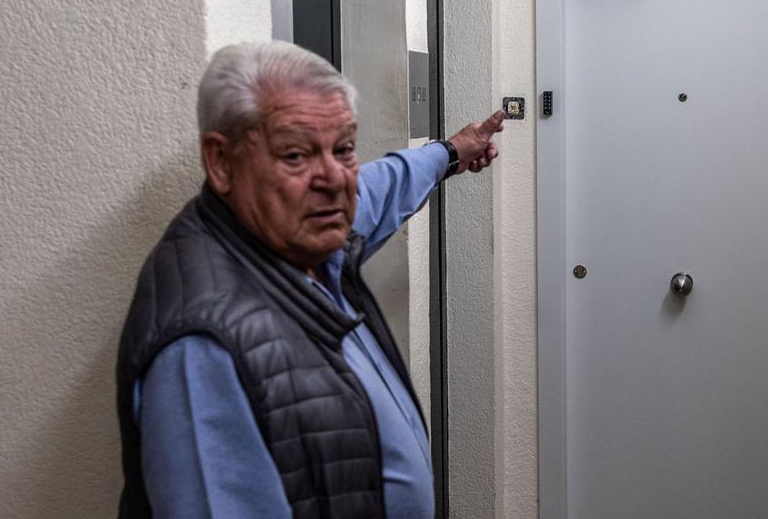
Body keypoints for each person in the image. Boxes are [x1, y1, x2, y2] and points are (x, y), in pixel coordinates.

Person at [115, 41, 503, 518]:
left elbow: (380, 187)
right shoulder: (204, 347)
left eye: (343, 149)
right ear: (221, 161)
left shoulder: (300, 229)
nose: (334, 179)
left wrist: (449, 153)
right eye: (296, 155)